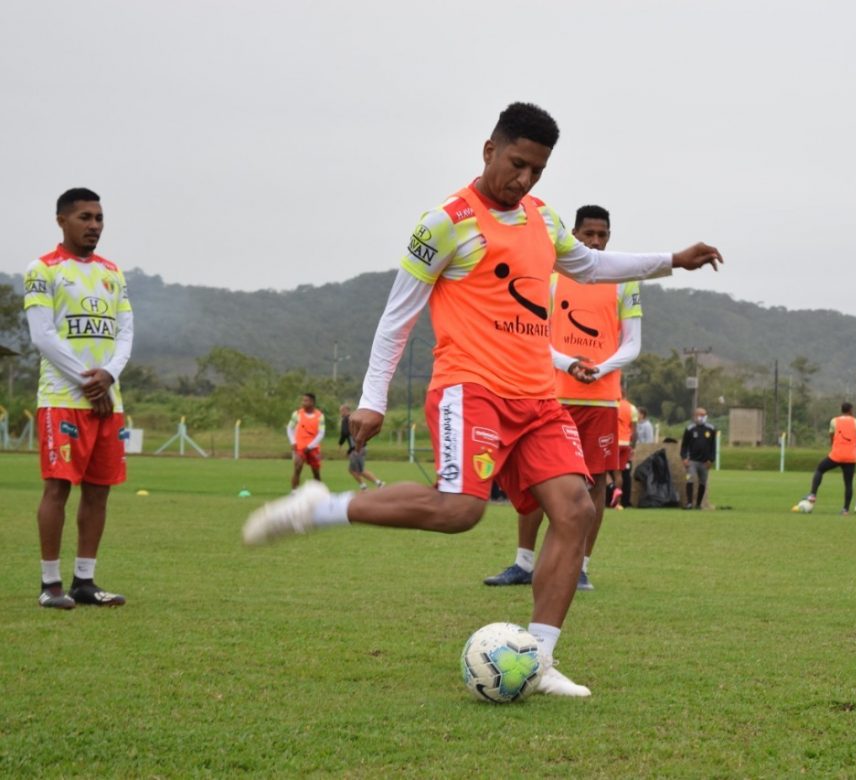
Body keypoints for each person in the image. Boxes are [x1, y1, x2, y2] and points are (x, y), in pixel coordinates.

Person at [242, 102, 722, 698]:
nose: (524, 180)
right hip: (470, 390)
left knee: (577, 510)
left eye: (538, 171)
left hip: (539, 399)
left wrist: (671, 259)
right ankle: (320, 508)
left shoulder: (542, 220)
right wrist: (372, 398)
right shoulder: (445, 222)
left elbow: (592, 266)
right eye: (517, 164)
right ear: (489, 150)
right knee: (460, 511)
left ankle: (538, 660)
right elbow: (397, 317)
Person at [483, 204, 643, 592]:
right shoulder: (551, 275)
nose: (596, 242)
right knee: (537, 477)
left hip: (602, 399)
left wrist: (599, 369)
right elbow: (534, 332)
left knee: (595, 485)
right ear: (573, 235)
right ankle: (524, 563)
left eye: (602, 235)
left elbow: (633, 344)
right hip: (549, 393)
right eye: (588, 234)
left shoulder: (625, 280)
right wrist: (568, 364)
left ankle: (580, 567)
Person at [24, 187, 134, 609]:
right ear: (62, 221)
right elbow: (42, 335)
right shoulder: (43, 269)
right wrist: (88, 380)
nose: (94, 226)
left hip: (109, 398)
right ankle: (50, 584)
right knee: (58, 488)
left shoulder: (112, 272)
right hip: (62, 397)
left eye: (99, 218)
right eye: (85, 217)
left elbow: (124, 332)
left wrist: (108, 376)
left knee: (99, 490)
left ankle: (84, 581)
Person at [804, 402, 856, 515]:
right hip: (850, 457)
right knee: (848, 483)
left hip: (836, 455)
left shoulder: (834, 421)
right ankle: (845, 510)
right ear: (851, 410)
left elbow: (831, 437)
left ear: (841, 410)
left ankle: (813, 494)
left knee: (820, 469)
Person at [338, 404, 383, 490]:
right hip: (362, 446)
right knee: (355, 470)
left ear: (346, 410)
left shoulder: (346, 419)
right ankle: (367, 485)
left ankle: (376, 484)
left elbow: (345, 433)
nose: (341, 413)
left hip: (357, 448)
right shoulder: (356, 419)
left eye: (341, 411)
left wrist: (341, 444)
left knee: (357, 470)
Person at [680, 407, 717, 509]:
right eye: (700, 415)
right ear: (695, 416)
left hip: (705, 462)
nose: (702, 417)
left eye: (704, 415)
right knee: (689, 479)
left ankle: (698, 504)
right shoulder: (689, 429)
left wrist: (711, 459)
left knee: (703, 482)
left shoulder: (711, 429)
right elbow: (684, 446)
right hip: (692, 461)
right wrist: (684, 458)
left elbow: (713, 446)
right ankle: (689, 503)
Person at [287, 393, 325, 489]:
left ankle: (319, 493)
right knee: (297, 468)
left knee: (316, 472)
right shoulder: (297, 414)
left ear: (312, 402)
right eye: (303, 400)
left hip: (313, 447)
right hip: (300, 447)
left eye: (306, 401)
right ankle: (294, 492)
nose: (303, 403)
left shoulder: (319, 416)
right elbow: (289, 428)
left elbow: (321, 433)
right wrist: (293, 442)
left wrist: (310, 446)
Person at [613, 396, 638, 509]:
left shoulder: (613, 404)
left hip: (614, 442)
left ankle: (612, 490)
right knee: (620, 473)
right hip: (626, 443)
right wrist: (633, 447)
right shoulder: (632, 408)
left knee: (605, 471)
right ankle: (619, 502)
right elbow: (634, 431)